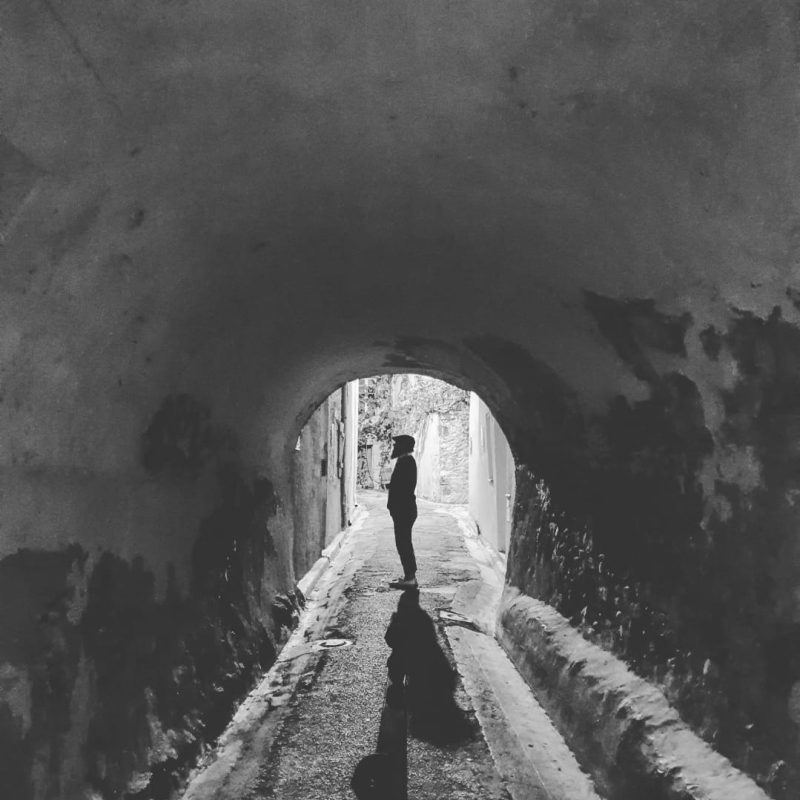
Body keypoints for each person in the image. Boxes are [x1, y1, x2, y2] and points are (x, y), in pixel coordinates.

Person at [387, 434, 418, 589]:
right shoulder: (405, 461)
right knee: (404, 543)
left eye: (396, 445)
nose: (394, 447)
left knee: (403, 543)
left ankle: (410, 578)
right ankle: (409, 576)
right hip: (403, 509)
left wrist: (392, 490)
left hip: (404, 510)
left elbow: (403, 488)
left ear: (402, 446)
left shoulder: (406, 462)